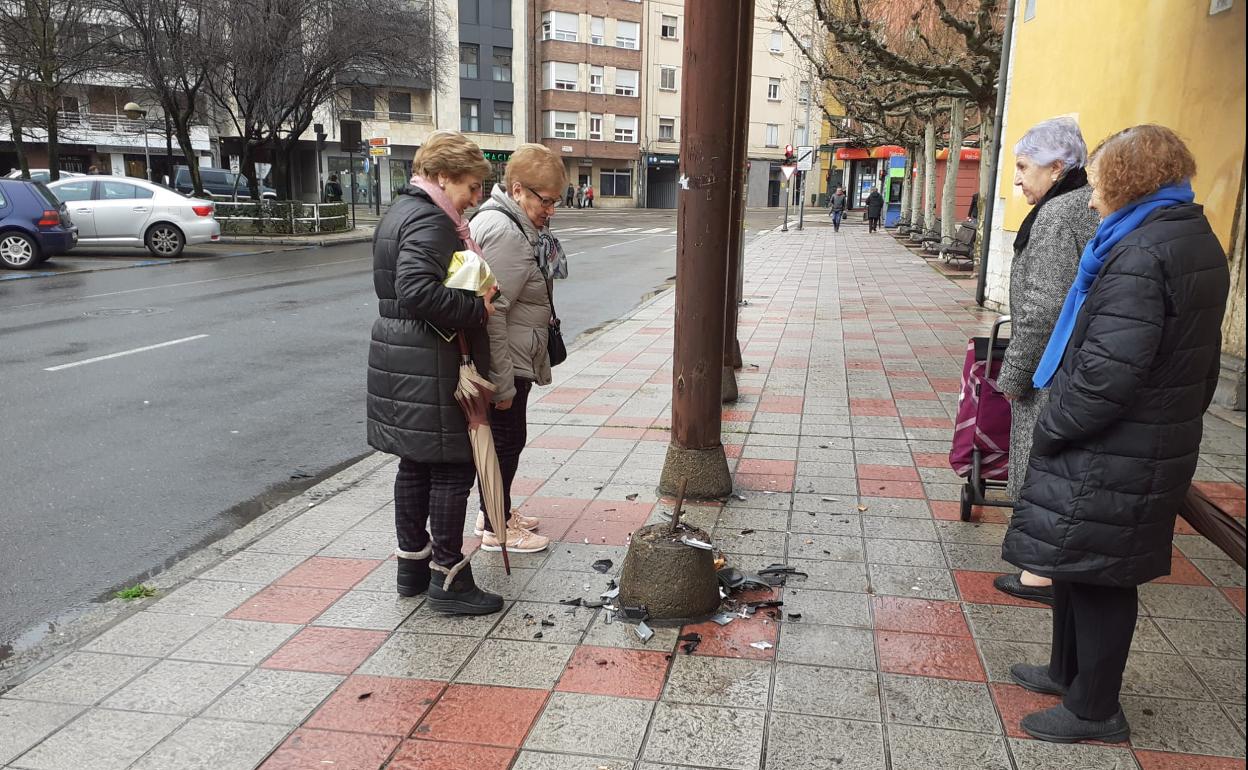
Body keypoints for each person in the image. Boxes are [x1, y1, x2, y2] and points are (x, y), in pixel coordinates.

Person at [1002, 124, 1229, 744]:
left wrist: (1052, 425)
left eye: (1099, 181)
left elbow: (1108, 373)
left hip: (1120, 442)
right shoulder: (1181, 234)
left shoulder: (1142, 252)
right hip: (1145, 434)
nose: (1092, 195)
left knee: (1101, 572)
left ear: (1128, 181)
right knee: (1076, 563)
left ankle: (1095, 709)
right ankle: (1066, 674)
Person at [367, 130, 505, 616]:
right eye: (470, 187)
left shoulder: (403, 210)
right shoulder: (432, 221)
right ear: (443, 177)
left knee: (416, 462)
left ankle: (413, 567)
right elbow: (417, 292)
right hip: (430, 358)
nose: (475, 199)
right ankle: (449, 579)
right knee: (450, 466)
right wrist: (479, 308)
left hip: (403, 355)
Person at [993, 117, 1100, 606]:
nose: (1016, 179)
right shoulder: (1087, 207)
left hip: (1052, 368)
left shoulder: (1058, 216)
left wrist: (1012, 377)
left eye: (1023, 166)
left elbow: (1042, 307)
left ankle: (1040, 573)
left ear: (1058, 167)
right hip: (1081, 365)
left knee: (1041, 466)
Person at [469, 143, 569, 554]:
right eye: (546, 200)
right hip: (505, 359)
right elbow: (491, 311)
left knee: (504, 440)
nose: (551, 210)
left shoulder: (510, 225)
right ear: (517, 190)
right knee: (507, 440)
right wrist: (502, 382)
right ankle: (496, 527)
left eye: (555, 201)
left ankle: (493, 511)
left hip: (512, 353)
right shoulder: (506, 234)